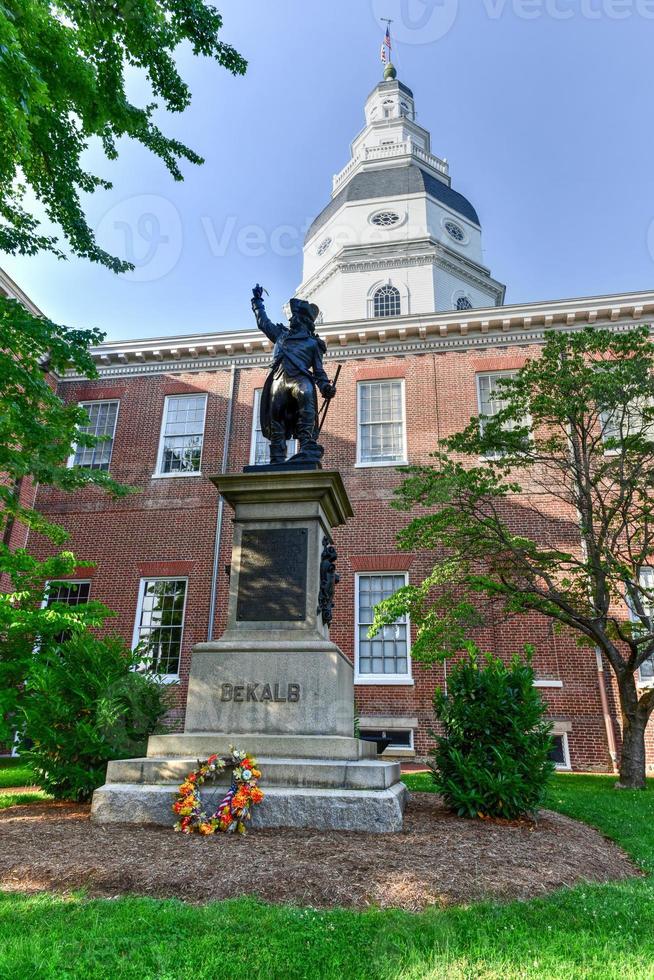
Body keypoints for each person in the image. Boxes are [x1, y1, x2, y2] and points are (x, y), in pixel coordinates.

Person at [251, 284, 336, 465]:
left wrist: (325, 387)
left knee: (305, 392)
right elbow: (263, 323)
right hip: (279, 379)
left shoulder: (313, 344)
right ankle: (277, 459)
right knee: (276, 419)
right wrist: (258, 302)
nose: (292, 320)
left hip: (300, 378)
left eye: (295, 317)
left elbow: (319, 372)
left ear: (304, 320)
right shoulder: (281, 335)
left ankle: (306, 445)